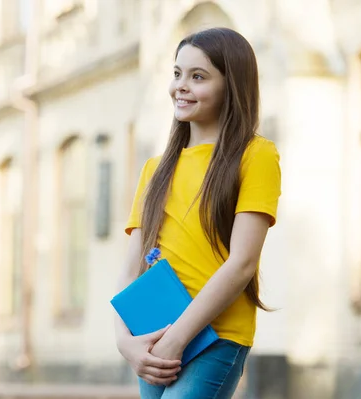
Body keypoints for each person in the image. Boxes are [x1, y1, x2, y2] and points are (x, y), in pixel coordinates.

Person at [114, 27, 281, 399]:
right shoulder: (154, 169)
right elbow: (132, 268)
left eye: (198, 76)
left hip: (216, 337)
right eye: (177, 74)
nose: (181, 86)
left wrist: (177, 338)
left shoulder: (257, 156)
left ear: (231, 85)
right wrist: (125, 342)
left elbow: (242, 263)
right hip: (153, 331)